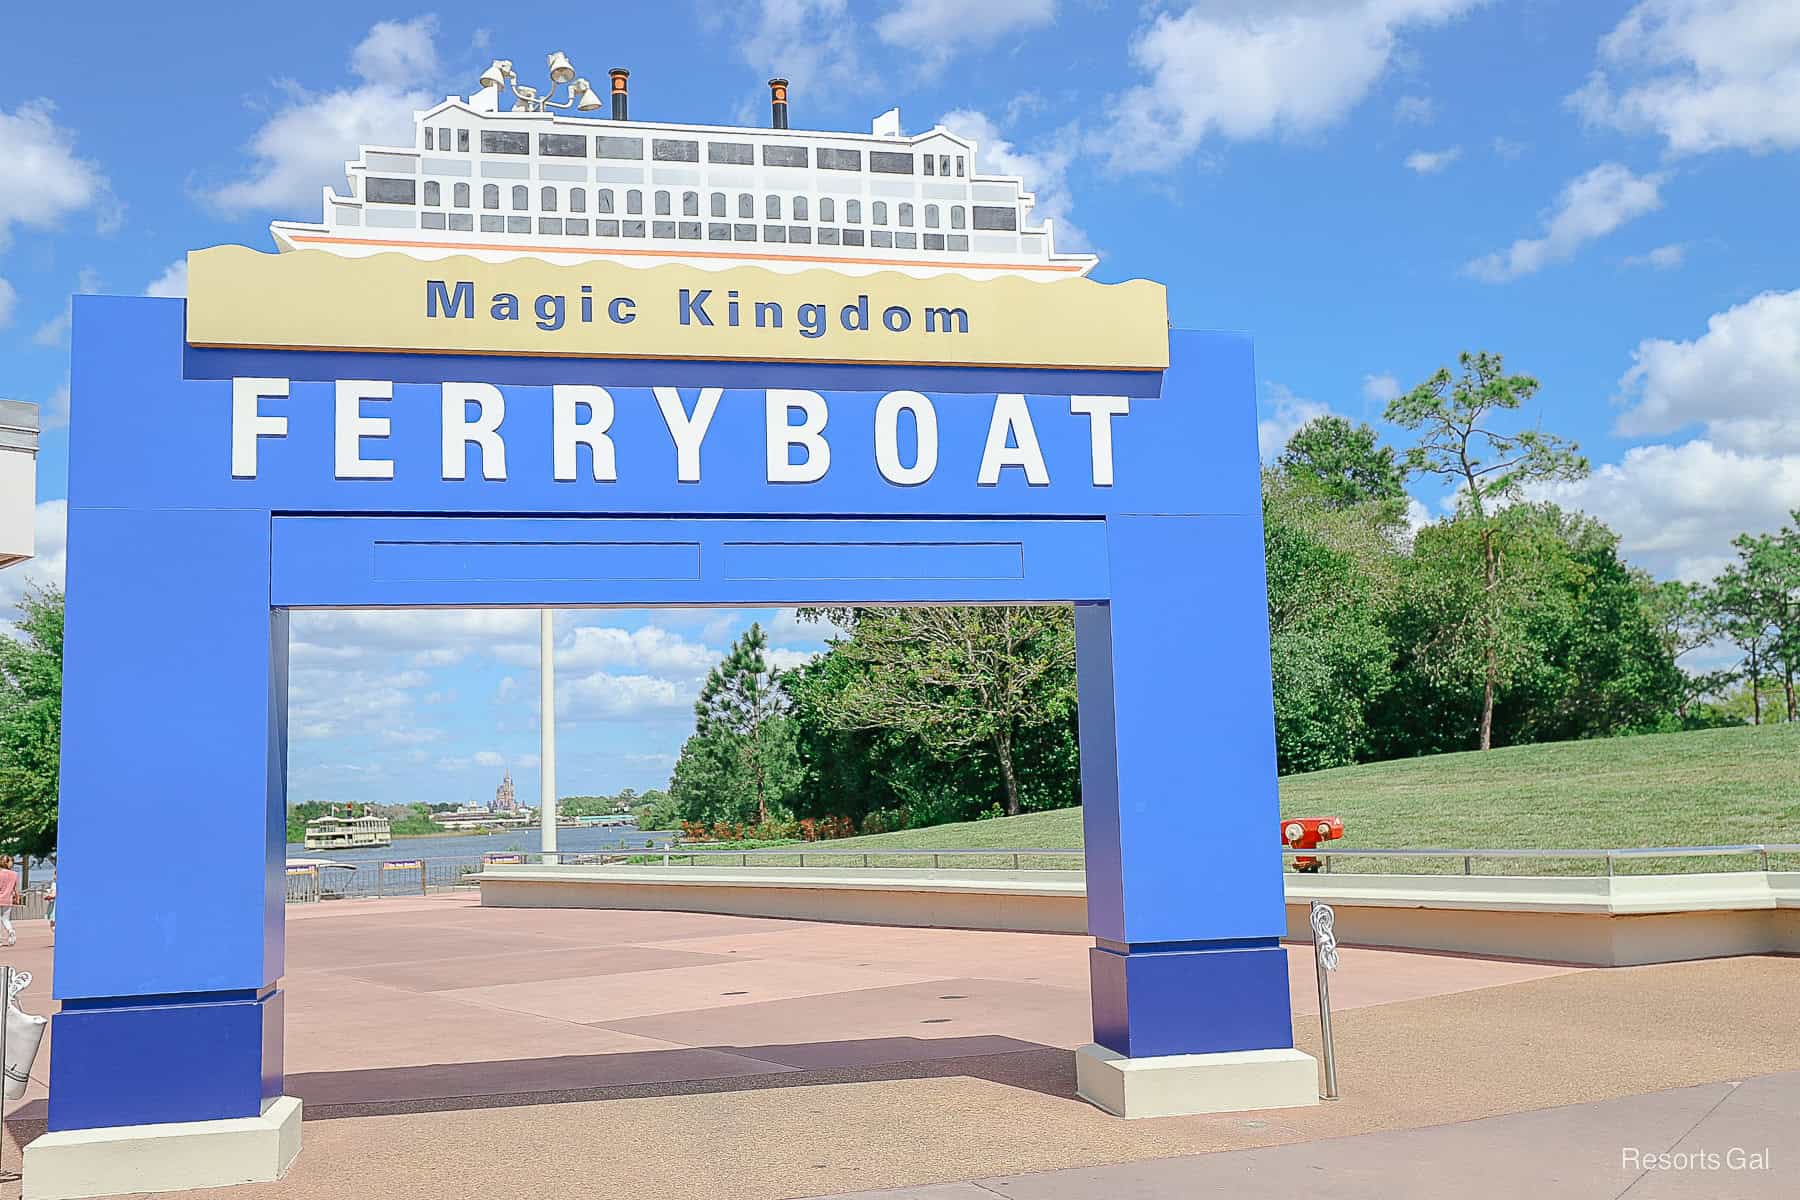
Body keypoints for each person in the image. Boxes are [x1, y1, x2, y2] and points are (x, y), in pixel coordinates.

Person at [0, 855, 16, 947]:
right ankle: (10, 930)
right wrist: (17, 898)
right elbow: (16, 889)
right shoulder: (14, 874)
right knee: (5, 919)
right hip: (8, 900)